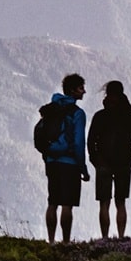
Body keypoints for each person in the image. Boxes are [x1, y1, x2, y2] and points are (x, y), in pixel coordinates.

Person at [87, 80, 131, 238]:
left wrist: (96, 160)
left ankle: (105, 238)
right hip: (123, 164)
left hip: (103, 163)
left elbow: (91, 141)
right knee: (121, 202)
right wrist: (130, 159)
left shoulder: (100, 116)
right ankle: (121, 236)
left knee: (104, 203)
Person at [40, 73, 88, 243]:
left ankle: (51, 241)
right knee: (67, 204)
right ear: (73, 90)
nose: (84, 91)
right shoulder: (78, 114)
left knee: (52, 202)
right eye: (81, 88)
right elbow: (79, 142)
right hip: (70, 163)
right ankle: (66, 242)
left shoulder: (52, 109)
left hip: (52, 161)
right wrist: (83, 168)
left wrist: (48, 156)